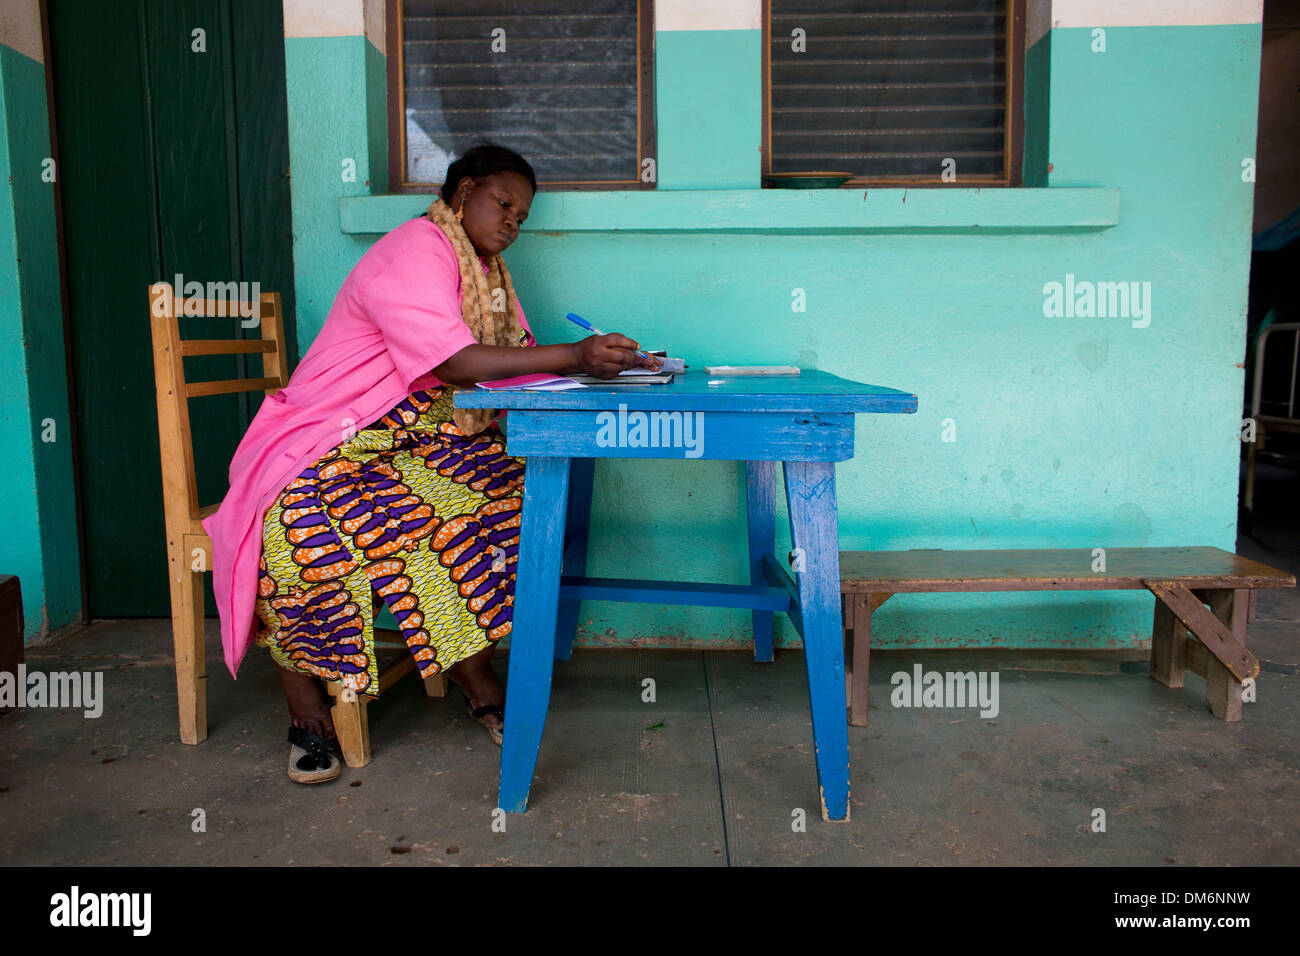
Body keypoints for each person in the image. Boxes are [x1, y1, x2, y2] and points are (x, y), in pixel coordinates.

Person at [202, 142, 661, 782]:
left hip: (413, 441)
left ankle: (471, 667)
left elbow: (512, 361)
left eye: (522, 217)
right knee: (300, 522)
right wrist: (573, 357)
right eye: (504, 204)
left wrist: (598, 369)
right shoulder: (415, 248)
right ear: (463, 190)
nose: (511, 224)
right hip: (334, 437)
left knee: (510, 491)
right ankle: (309, 711)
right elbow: (453, 364)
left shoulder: (486, 274)